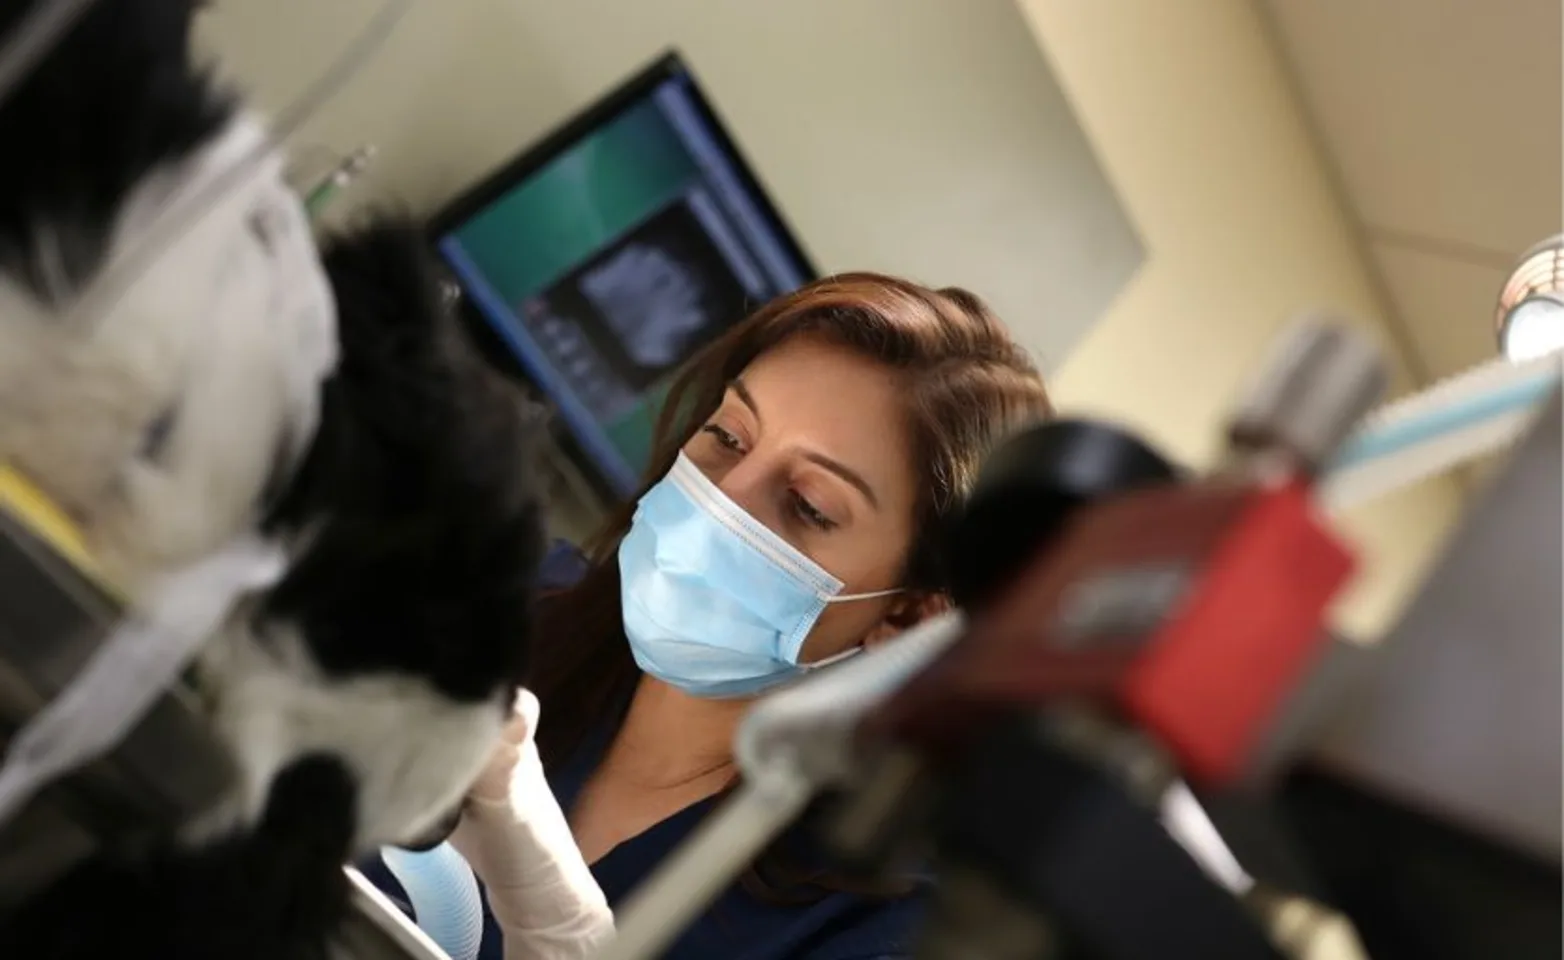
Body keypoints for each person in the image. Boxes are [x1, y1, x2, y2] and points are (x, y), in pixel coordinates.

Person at [377, 272, 1053, 960]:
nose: (720, 501)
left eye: (808, 504)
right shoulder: (506, 606)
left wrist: (566, 932)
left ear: (908, 620)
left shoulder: (875, 920)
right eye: (728, 436)